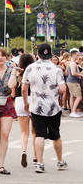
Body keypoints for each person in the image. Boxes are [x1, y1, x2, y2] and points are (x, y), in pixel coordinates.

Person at [22, 43, 68, 173]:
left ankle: (40, 163)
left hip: (36, 107)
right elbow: (63, 88)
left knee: (39, 135)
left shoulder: (30, 68)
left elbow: (24, 88)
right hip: (53, 107)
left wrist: (26, 103)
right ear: (50, 54)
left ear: (38, 54)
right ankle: (59, 161)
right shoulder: (57, 69)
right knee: (56, 135)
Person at [14, 53, 37, 167]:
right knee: (35, 132)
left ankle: (24, 151)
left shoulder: (17, 74)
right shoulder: (34, 72)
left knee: (24, 132)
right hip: (32, 99)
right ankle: (36, 156)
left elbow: (13, 91)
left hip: (19, 101)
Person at [65, 50, 82, 117]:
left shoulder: (69, 63)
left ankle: (73, 111)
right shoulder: (73, 64)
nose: (78, 57)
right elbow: (73, 73)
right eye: (77, 55)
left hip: (69, 81)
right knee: (79, 97)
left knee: (72, 96)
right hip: (73, 82)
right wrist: (81, 75)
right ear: (73, 55)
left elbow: (66, 73)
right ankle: (73, 111)